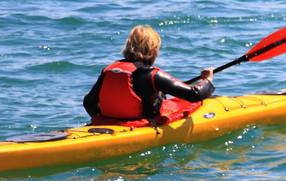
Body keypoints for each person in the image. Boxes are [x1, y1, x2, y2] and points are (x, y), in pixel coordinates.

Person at [84, 25, 215, 124]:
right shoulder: (152, 75)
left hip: (109, 123)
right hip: (140, 125)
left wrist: (105, 119)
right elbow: (194, 95)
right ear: (152, 50)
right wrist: (207, 80)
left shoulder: (109, 69)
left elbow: (88, 102)